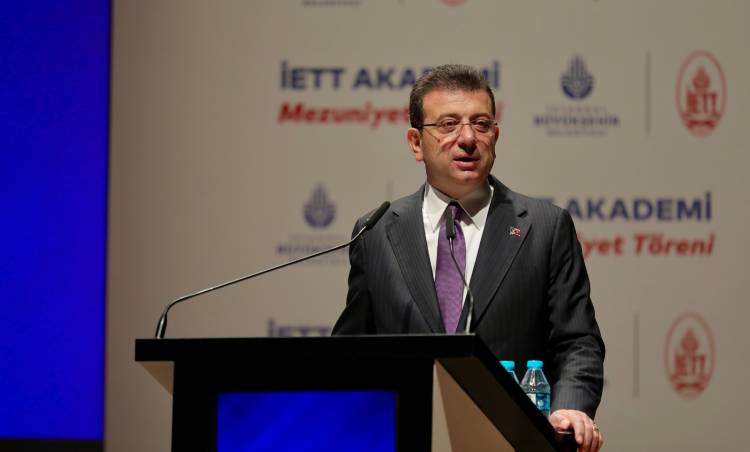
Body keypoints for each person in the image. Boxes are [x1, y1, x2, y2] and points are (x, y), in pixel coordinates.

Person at [332, 64, 604, 452]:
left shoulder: (544, 227)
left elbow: (577, 342)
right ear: (415, 142)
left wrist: (569, 408)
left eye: (481, 124)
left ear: (496, 135)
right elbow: (352, 352)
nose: (468, 139)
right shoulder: (376, 232)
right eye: (448, 125)